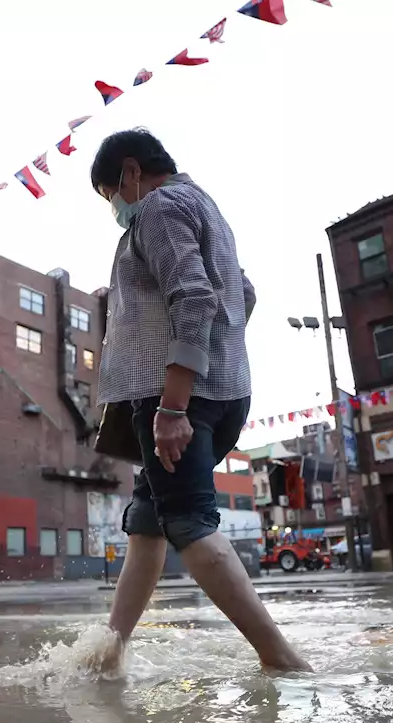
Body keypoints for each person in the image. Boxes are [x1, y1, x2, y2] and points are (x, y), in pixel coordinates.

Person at [89, 129, 311, 672]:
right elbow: (244, 292)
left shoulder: (159, 208)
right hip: (222, 389)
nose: (113, 208)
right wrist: (217, 348)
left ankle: (282, 659)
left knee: (188, 519)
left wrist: (172, 404)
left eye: (108, 195)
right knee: (149, 521)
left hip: (172, 395)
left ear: (131, 173)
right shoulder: (206, 208)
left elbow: (191, 295)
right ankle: (109, 655)